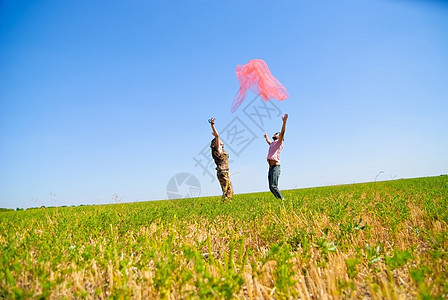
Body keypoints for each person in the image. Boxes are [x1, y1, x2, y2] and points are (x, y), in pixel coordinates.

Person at [264, 114, 288, 200]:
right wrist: (266, 137)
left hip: (276, 167)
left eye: (276, 134)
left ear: (279, 136)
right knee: (271, 187)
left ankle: (282, 200)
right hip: (270, 168)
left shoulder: (279, 142)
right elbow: (268, 141)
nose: (274, 134)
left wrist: (284, 122)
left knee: (274, 186)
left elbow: (283, 132)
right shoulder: (272, 143)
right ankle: (279, 201)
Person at [209, 117, 233, 203]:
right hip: (223, 172)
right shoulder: (218, 149)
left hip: (222, 172)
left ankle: (226, 204)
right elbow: (217, 135)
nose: (221, 140)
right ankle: (226, 205)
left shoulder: (220, 151)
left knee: (226, 190)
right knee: (228, 191)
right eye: (219, 140)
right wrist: (212, 125)